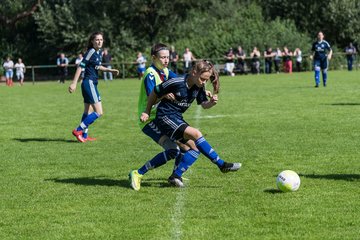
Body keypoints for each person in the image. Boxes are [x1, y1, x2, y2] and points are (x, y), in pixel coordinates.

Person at [139, 60, 241, 188]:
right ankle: (221, 164)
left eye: (206, 80)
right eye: (202, 79)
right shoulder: (176, 82)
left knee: (195, 149)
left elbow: (203, 104)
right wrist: (146, 112)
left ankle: (175, 176)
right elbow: (154, 92)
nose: (204, 83)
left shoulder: (199, 86)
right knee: (196, 134)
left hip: (176, 118)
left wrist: (211, 103)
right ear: (194, 72)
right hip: (164, 116)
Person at [68, 31, 119, 142]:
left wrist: (110, 70)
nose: (99, 41)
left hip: (91, 83)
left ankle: (84, 136)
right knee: (99, 112)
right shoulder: (91, 51)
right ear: (92, 41)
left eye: (101, 39)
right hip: (89, 83)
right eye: (97, 40)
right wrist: (74, 82)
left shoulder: (98, 52)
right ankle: (78, 130)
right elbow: (80, 66)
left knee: (88, 111)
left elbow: (98, 66)